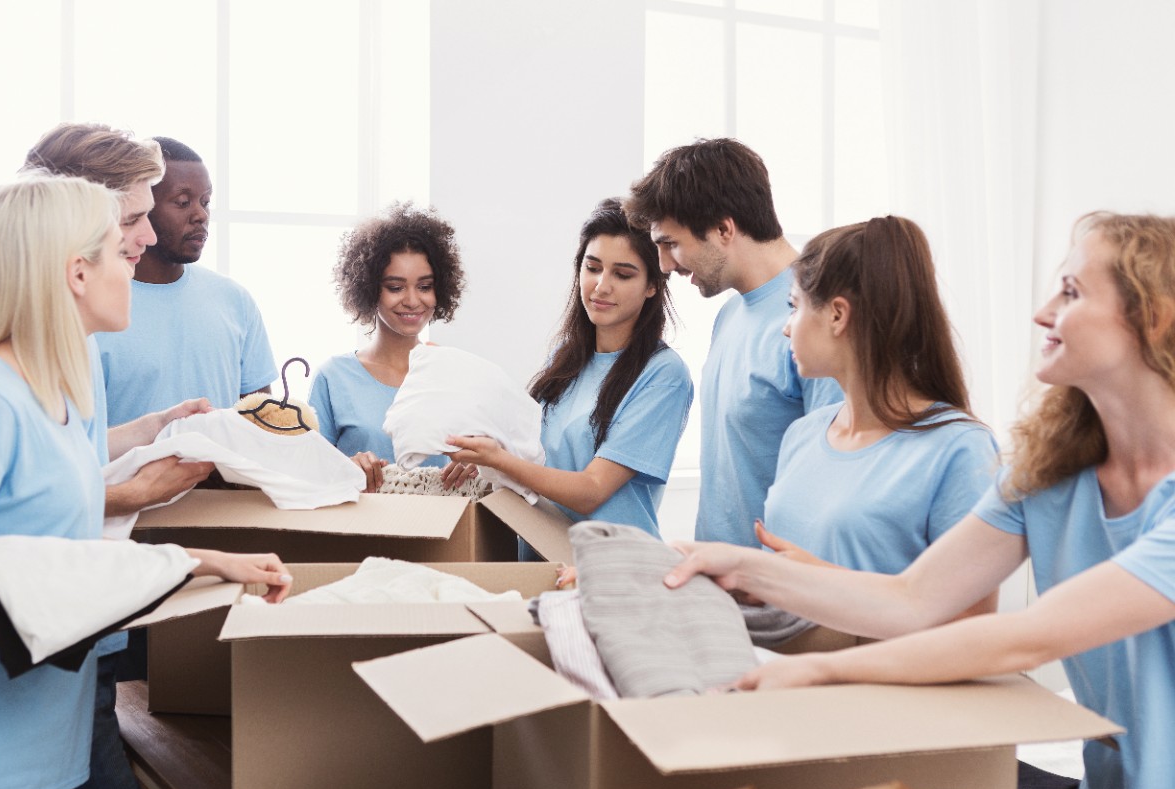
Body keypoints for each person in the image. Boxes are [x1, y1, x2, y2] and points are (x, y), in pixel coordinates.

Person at [665, 213, 1175, 789]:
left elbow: (1023, 639)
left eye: (1071, 293)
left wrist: (824, 673)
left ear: (1152, 317)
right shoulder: (1049, 474)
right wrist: (732, 565)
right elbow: (912, 598)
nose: (1043, 313)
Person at [0, 174, 291, 789]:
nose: (136, 260)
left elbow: (66, 555)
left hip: (40, 747)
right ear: (77, 272)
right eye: (119, 251)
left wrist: (201, 563)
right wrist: (28, 591)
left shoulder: (61, 393)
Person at [0, 122, 215, 518]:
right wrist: (133, 495)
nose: (148, 237)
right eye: (130, 221)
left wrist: (155, 426)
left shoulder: (79, 337)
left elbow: (58, 457)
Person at [750, 216, 999, 647]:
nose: (787, 327)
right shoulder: (803, 436)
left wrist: (819, 581)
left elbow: (969, 630)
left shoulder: (959, 449)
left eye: (794, 306)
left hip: (883, 698)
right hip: (784, 686)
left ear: (837, 315)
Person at [624, 138, 842, 550]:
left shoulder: (816, 318)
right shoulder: (729, 316)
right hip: (723, 580)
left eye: (670, 243)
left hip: (780, 589)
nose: (665, 265)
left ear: (724, 229)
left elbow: (833, 480)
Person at [447, 198, 693, 544]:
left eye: (622, 274)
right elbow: (534, 455)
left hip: (610, 570)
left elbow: (592, 490)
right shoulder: (565, 361)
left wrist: (500, 460)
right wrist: (485, 455)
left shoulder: (664, 375)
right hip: (543, 557)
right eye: (592, 268)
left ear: (653, 285)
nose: (601, 286)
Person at [96, 136, 277, 427]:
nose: (201, 215)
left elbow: (263, 423)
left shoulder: (235, 300)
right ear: (141, 206)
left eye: (206, 202)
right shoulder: (95, 307)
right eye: (183, 202)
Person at [307, 201, 474, 491]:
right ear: (370, 288)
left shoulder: (455, 375)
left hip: (443, 531)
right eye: (395, 287)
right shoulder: (334, 378)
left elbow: (484, 458)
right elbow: (305, 475)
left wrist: (478, 462)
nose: (412, 300)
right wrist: (346, 467)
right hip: (360, 531)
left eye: (424, 287)